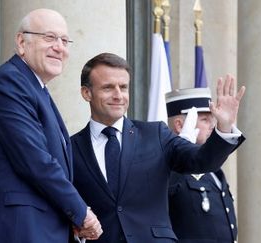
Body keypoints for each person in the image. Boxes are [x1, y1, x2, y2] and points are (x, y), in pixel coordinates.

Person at [71, 52, 245, 242]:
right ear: (86, 93)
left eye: (123, 87)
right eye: (108, 88)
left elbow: (201, 161)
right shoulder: (70, 148)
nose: (118, 95)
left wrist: (224, 127)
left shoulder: (155, 134)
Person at [0, 8, 102, 242]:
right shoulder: (8, 84)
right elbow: (36, 161)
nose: (59, 47)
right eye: (49, 38)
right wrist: (81, 213)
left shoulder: (35, 89)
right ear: (21, 42)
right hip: (16, 229)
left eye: (64, 40)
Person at [166, 88, 238, 243]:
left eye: (213, 120)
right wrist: (182, 145)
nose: (212, 125)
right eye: (205, 120)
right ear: (180, 125)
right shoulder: (167, 166)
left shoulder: (214, 170)